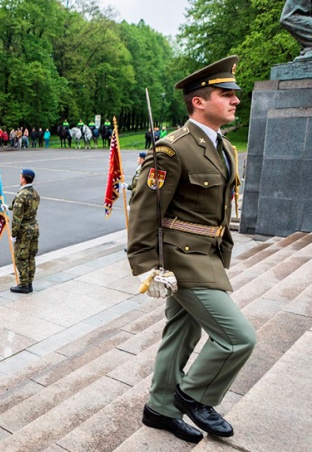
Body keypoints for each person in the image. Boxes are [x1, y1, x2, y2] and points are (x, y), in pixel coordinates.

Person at [127, 55, 256, 444]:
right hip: (181, 261)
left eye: (234, 94)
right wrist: (147, 266)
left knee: (181, 335)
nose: (235, 100)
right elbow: (144, 208)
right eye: (225, 94)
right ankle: (195, 395)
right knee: (238, 338)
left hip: (209, 254)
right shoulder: (173, 150)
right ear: (198, 101)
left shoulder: (225, 149)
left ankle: (160, 409)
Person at [9, 169, 40, 293]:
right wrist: (9, 207)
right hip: (34, 227)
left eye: (20, 176)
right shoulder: (35, 193)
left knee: (21, 257)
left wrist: (14, 234)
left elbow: (17, 218)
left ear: (23, 179)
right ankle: (30, 282)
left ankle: (23, 284)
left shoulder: (21, 195)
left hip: (24, 230)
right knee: (31, 257)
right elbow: (27, 208)